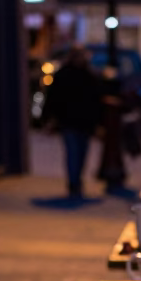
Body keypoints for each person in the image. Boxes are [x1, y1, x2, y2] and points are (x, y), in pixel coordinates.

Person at [41, 46, 103, 200]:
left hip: (83, 123)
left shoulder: (87, 76)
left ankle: (76, 181)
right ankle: (74, 183)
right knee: (73, 153)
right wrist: (50, 118)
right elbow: (54, 99)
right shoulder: (66, 75)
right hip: (70, 122)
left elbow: (96, 101)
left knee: (80, 153)